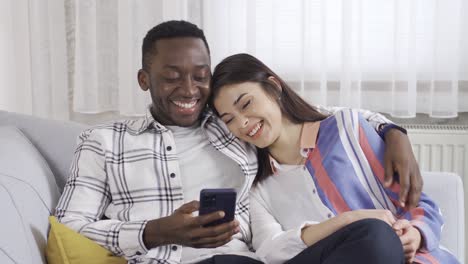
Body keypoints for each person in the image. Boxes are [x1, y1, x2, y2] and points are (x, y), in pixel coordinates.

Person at [55, 21, 424, 264]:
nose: (188, 90)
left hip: (243, 261)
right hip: (157, 259)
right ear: (143, 79)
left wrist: (392, 131)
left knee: (374, 237)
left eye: (200, 77)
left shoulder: (231, 126)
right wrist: (157, 231)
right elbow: (69, 226)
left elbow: (308, 114)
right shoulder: (103, 142)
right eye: (171, 77)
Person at [209, 53, 459, 264]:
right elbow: (270, 251)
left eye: (246, 104)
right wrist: (349, 220)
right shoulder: (257, 185)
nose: (242, 123)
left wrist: (415, 232)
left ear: (274, 87)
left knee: (378, 238)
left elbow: (420, 205)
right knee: (373, 235)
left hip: (405, 256)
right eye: (229, 119)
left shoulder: (347, 130)